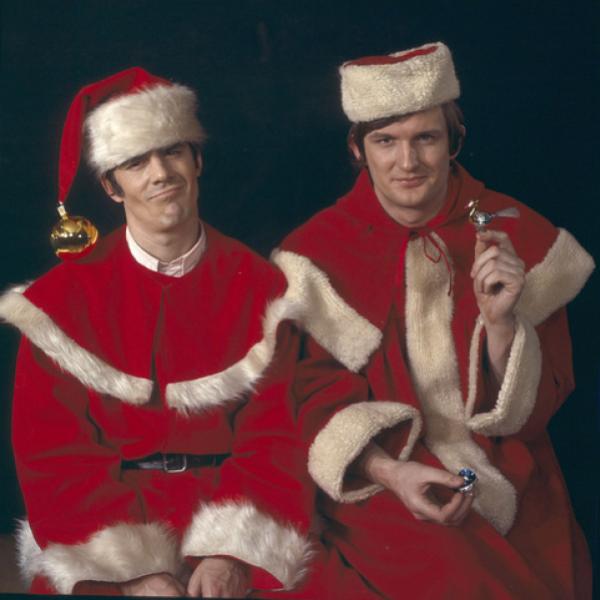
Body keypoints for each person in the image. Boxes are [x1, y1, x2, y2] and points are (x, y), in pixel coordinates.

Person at [271, 42, 594, 598]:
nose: (408, 162)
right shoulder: (313, 257)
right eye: (386, 141)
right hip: (380, 474)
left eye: (426, 138)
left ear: (454, 140)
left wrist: (501, 324)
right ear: (357, 149)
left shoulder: (521, 234)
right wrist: (390, 472)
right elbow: (305, 401)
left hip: (509, 468)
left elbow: (539, 409)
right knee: (455, 575)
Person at [0, 67, 313, 597]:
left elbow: (275, 437)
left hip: (234, 518)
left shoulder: (263, 286)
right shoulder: (59, 302)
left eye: (172, 152)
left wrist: (229, 555)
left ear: (197, 160)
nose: (160, 173)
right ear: (111, 186)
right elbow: (54, 454)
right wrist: (135, 575)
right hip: (102, 534)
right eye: (135, 162)